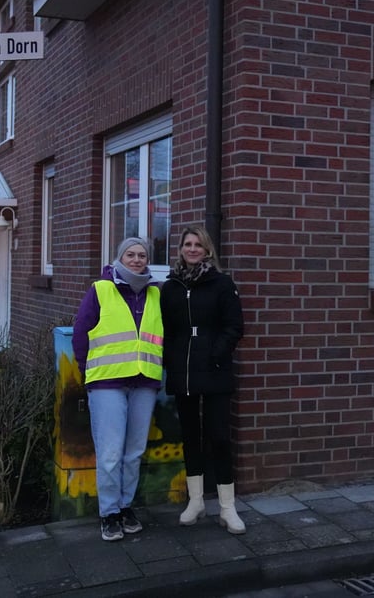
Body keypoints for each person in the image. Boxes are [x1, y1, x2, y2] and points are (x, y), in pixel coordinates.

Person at [72, 236, 163, 542]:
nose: (137, 259)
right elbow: (81, 334)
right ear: (119, 258)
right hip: (107, 382)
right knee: (110, 452)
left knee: (134, 452)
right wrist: (89, 372)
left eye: (142, 255)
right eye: (130, 255)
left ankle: (126, 507)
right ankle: (109, 513)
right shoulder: (100, 289)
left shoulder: (155, 294)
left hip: (144, 382)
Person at [161, 226, 246, 533]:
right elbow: (166, 331)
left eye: (198, 244)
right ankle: (195, 501)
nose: (192, 248)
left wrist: (216, 353)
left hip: (215, 370)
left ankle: (227, 507)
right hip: (183, 372)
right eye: (187, 244)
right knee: (190, 437)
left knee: (219, 437)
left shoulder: (222, 284)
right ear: (181, 248)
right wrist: (171, 358)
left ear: (207, 250)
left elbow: (234, 326)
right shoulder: (169, 287)